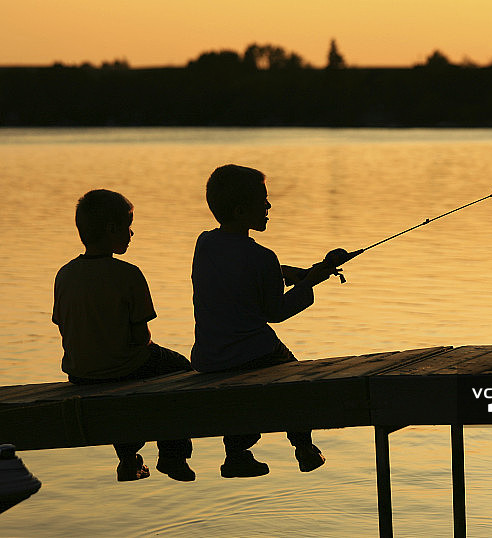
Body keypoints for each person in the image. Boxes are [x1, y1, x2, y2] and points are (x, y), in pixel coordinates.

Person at [191, 164, 334, 478]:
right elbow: (276, 312)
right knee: (296, 384)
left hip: (210, 357)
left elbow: (239, 272)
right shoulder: (262, 257)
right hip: (254, 354)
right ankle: (304, 447)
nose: (269, 206)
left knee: (240, 400)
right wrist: (308, 285)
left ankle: (237, 454)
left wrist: (294, 274)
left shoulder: (205, 244)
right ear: (243, 210)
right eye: (263, 201)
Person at [52, 189, 195, 482]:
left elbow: (63, 325)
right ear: (112, 230)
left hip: (81, 373)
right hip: (123, 366)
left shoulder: (64, 274)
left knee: (122, 391)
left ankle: (129, 460)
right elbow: (141, 338)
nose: (132, 233)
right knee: (183, 371)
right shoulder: (129, 274)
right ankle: (173, 454)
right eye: (128, 226)